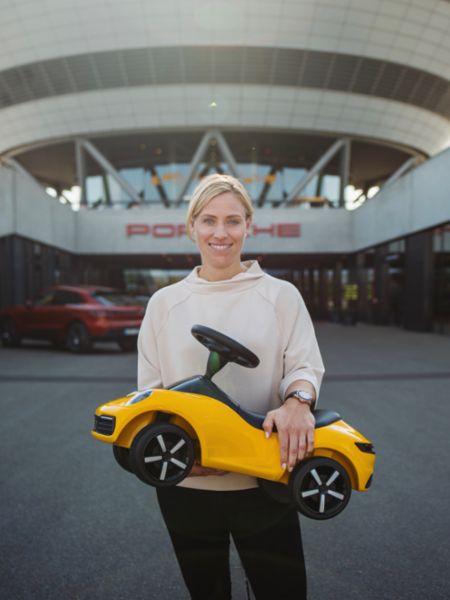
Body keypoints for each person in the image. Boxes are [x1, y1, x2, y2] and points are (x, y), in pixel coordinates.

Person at [137, 173, 324, 600]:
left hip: (266, 478)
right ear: (191, 227)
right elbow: (150, 394)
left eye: (232, 221)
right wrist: (185, 460)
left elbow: (304, 365)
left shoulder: (281, 295)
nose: (221, 233)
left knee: (284, 592)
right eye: (208, 220)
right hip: (188, 486)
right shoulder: (164, 303)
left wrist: (299, 401)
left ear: (248, 225)